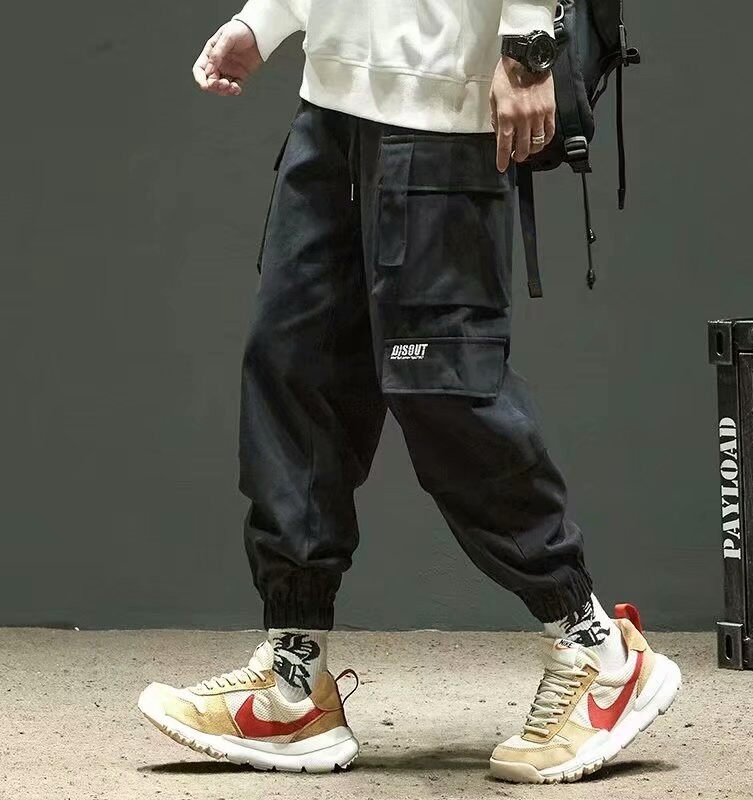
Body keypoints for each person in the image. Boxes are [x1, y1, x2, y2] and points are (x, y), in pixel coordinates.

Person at [137, 0, 681, 784]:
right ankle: (294, 681)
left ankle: (597, 651)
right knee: (297, 371)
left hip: (442, 112)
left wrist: (529, 45)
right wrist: (268, 18)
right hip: (329, 107)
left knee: (445, 388)